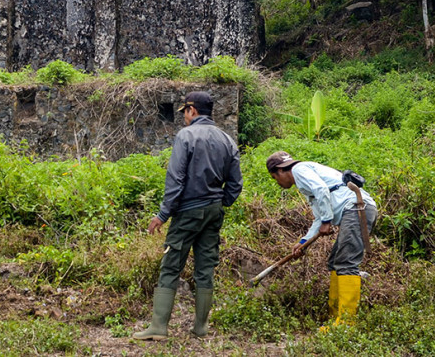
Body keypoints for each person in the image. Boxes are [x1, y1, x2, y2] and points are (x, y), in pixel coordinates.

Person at [133, 91, 243, 340]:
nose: (184, 116)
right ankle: (200, 327)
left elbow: (176, 179)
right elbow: (235, 184)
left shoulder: (186, 136)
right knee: (205, 267)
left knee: (171, 265)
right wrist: (220, 202)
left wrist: (163, 214)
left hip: (187, 211)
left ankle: (158, 327)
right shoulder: (227, 140)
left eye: (184, 111)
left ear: (192, 110)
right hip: (213, 211)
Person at [265, 151, 377, 328]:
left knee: (346, 262)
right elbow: (319, 218)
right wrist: (303, 242)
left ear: (280, 170)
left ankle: (346, 323)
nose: (277, 183)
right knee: (335, 262)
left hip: (356, 208)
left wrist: (327, 220)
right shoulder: (304, 178)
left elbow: (321, 190)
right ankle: (335, 316)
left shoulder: (299, 170)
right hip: (353, 210)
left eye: (274, 178)